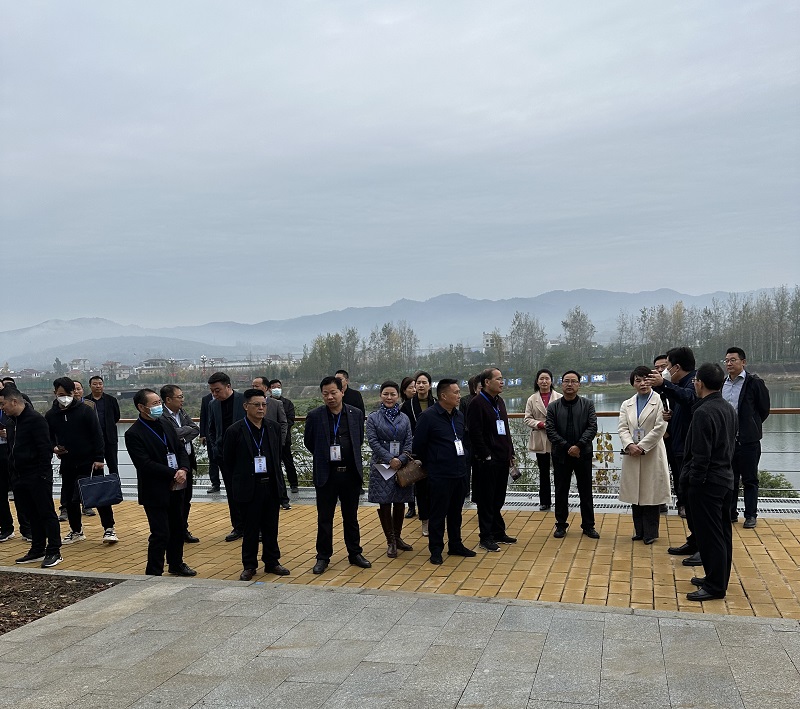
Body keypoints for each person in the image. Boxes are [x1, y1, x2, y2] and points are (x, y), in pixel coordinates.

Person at [304, 376, 371, 574]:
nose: (330, 397)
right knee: (325, 518)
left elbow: (358, 440)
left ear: (342, 392)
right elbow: (309, 443)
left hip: (350, 474)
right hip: (327, 474)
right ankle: (323, 557)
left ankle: (355, 553)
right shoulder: (315, 416)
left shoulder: (356, 413)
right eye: (325, 394)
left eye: (333, 392)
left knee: (351, 517)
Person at [125, 389, 195, 577]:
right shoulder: (134, 433)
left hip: (177, 486)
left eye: (159, 403)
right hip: (154, 490)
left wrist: (184, 469)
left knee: (178, 528)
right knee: (160, 533)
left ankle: (176, 564)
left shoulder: (165, 423)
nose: (159, 407)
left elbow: (180, 449)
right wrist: (173, 473)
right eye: (154, 404)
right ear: (141, 407)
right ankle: (154, 572)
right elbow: (144, 464)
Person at [683, 363, 738, 601]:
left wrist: (694, 483)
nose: (694, 384)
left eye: (696, 380)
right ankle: (717, 577)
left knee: (711, 536)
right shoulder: (728, 408)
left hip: (707, 483)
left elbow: (700, 455)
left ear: (700, 383)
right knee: (722, 532)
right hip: (725, 478)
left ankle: (715, 586)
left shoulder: (703, 412)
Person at [224, 388, 289, 580]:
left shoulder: (273, 427)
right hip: (248, 487)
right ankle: (249, 565)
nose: (261, 408)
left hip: (271, 485)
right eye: (257, 405)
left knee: (271, 527)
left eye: (264, 405)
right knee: (251, 529)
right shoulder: (234, 430)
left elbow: (277, 457)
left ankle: (272, 561)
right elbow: (228, 462)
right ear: (246, 406)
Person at [45, 377, 118, 545]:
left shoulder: (85, 411)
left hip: (90, 461)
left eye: (68, 393)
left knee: (100, 495)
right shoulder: (51, 415)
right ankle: (76, 530)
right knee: (71, 499)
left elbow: (97, 434)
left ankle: (109, 528)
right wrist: (54, 447)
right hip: (68, 461)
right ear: (55, 393)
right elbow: (48, 437)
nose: (65, 397)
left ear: (74, 393)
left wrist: (99, 458)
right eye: (61, 394)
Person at [647, 347, 701, 565]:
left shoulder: (693, 383)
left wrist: (663, 384)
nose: (666, 370)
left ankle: (703, 547)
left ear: (677, 367)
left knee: (696, 502)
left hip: (691, 450)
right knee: (687, 495)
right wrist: (671, 415)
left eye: (667, 366)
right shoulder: (680, 386)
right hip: (680, 447)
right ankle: (694, 540)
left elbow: (689, 398)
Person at [413, 378, 476, 565]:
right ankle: (436, 549)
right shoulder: (428, 417)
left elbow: (464, 440)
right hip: (439, 474)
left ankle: (455, 545)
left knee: (456, 513)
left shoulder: (459, 415)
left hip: (459, 472)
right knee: (438, 514)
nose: (459, 396)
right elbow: (418, 446)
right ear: (443, 395)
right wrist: (434, 462)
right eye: (455, 392)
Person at [0, 386, 62, 567]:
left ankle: (54, 550)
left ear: (14, 401)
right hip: (18, 477)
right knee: (31, 514)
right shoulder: (11, 423)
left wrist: (42, 475)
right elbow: (11, 449)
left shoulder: (36, 420)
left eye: (3, 404)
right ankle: (37, 548)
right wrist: (13, 474)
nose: (2, 408)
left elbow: (45, 450)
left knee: (46, 513)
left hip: (37, 476)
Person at [618, 366, 671, 544]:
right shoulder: (627, 404)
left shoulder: (661, 400)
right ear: (633, 383)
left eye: (646, 380)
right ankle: (639, 531)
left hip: (652, 452)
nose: (642, 384)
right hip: (632, 453)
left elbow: (660, 428)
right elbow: (623, 428)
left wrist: (641, 446)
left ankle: (650, 533)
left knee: (651, 493)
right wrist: (629, 445)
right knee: (636, 493)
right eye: (638, 380)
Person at [467, 368, 517, 552]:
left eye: (502, 379)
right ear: (487, 382)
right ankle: (485, 537)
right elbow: (475, 433)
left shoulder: (499, 401)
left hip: (502, 457)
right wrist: (486, 455)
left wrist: (510, 452)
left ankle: (498, 532)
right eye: (498, 379)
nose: (502, 382)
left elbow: (505, 429)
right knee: (486, 500)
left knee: (498, 498)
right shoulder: (477, 403)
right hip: (487, 461)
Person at [545, 371, 599, 539]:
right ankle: (561, 525)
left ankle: (588, 526)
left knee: (586, 491)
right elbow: (550, 430)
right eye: (566, 381)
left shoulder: (587, 404)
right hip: (561, 455)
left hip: (583, 453)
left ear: (579, 385)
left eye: (573, 381)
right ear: (561, 384)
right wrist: (568, 447)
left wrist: (578, 446)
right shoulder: (553, 407)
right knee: (561, 490)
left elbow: (592, 427)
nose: (570, 384)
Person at [722, 347, 770, 528]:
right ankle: (730, 513)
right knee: (730, 479)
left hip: (748, 441)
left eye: (733, 360)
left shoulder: (754, 383)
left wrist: (751, 426)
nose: (729, 363)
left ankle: (750, 515)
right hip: (728, 441)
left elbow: (764, 409)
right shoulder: (722, 383)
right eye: (727, 360)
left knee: (750, 480)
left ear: (743, 362)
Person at [366, 381, 414, 558]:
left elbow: (409, 441)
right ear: (380, 395)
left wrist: (401, 459)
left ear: (398, 396)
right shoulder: (373, 418)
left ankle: (398, 537)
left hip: (401, 465)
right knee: (385, 502)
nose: (389, 397)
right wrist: (389, 459)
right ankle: (390, 540)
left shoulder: (405, 418)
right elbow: (373, 442)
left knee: (400, 501)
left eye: (393, 394)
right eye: (385, 394)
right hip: (382, 465)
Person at [207, 372, 246, 541]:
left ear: (228, 386)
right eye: (212, 391)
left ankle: (255, 527)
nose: (214, 394)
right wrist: (216, 447)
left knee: (250, 491)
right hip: (224, 456)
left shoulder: (244, 400)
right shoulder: (213, 404)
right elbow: (211, 429)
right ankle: (238, 527)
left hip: (244, 455)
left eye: (217, 390)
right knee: (232, 492)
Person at [160, 385, 201, 543]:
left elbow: (195, 429)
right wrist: (183, 432)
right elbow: (168, 434)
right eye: (179, 397)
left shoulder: (182, 412)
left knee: (186, 498)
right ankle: (172, 531)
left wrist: (180, 438)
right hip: (172, 463)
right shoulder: (162, 416)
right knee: (174, 499)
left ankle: (183, 529)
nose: (182, 400)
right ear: (168, 399)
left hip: (187, 461)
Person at [400, 371, 435, 535]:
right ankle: (425, 521)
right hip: (417, 453)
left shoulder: (436, 403)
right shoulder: (407, 406)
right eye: (418, 383)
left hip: (435, 452)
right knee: (421, 489)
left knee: (436, 487)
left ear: (430, 385)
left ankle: (436, 518)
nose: (421, 386)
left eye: (424, 382)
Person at [523, 368, 562, 512]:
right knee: (543, 471)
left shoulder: (559, 397)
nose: (544, 381)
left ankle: (561, 500)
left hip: (557, 438)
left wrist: (553, 425)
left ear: (551, 381)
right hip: (540, 437)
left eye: (547, 378)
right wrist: (540, 424)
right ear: (537, 381)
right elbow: (527, 418)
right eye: (541, 379)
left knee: (560, 471)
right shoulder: (532, 399)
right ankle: (544, 501)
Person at [251, 376, 291, 510]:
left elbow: (283, 423)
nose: (254, 388)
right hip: (256, 445)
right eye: (253, 386)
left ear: (266, 388)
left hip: (273, 444)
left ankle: (283, 499)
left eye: (257, 386)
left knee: (277, 471)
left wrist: (281, 442)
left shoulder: (276, 404)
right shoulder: (248, 405)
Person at [268, 379, 299, 494]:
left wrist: (280, 429)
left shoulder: (287, 403)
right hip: (270, 438)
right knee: (273, 463)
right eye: (273, 387)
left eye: (278, 387)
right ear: (269, 389)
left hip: (284, 437)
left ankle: (294, 484)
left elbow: (290, 420)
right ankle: (276, 485)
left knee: (288, 462)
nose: (276, 389)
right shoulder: (266, 403)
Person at [87, 376, 121, 478]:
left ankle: (115, 487)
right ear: (90, 386)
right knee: (96, 467)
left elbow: (116, 416)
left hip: (109, 438)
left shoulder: (111, 400)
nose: (98, 386)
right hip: (92, 440)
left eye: (100, 384)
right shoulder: (86, 401)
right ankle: (98, 487)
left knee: (113, 466)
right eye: (95, 384)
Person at [199, 390, 221, 493]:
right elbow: (203, 416)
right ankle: (215, 484)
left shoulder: (226, 398)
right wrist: (202, 434)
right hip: (210, 435)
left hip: (223, 434)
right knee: (212, 461)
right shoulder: (206, 399)